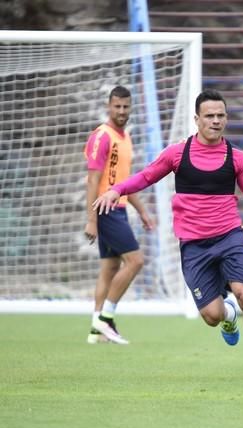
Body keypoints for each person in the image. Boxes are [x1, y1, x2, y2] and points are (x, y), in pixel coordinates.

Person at [93, 89, 243, 383]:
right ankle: (229, 316)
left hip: (230, 237)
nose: (215, 121)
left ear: (226, 118)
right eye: (209, 116)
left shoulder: (238, 158)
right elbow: (146, 176)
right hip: (194, 246)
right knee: (212, 316)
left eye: (221, 116)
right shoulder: (177, 154)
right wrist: (117, 190)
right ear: (197, 119)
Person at [84, 85, 155, 345]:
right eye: (117, 106)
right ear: (108, 106)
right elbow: (93, 180)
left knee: (110, 268)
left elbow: (125, 182)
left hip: (120, 209)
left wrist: (143, 211)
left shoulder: (125, 137)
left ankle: (95, 330)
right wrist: (92, 219)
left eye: (126, 106)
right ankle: (105, 318)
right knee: (135, 261)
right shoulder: (102, 136)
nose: (121, 111)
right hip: (106, 210)